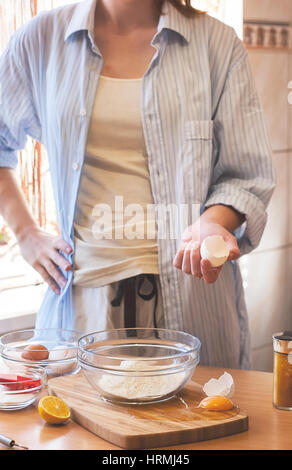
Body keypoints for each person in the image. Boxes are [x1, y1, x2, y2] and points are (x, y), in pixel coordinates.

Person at [0, 0, 275, 368]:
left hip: (193, 306)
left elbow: (245, 175)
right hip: (81, 307)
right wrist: (27, 235)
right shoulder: (40, 39)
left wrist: (212, 222)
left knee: (194, 421)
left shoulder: (217, 44)